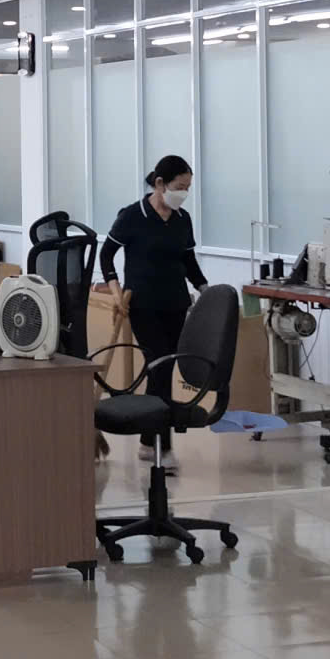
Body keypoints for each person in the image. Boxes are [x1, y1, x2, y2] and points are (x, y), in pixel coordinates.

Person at [100, 155, 210, 473]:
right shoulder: (133, 215)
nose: (184, 193)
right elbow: (107, 255)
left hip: (176, 304)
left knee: (163, 369)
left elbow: (189, 262)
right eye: (180, 187)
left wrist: (206, 290)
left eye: (188, 188)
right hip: (142, 305)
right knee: (159, 365)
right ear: (160, 183)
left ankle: (149, 442)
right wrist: (116, 291)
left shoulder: (182, 219)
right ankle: (163, 446)